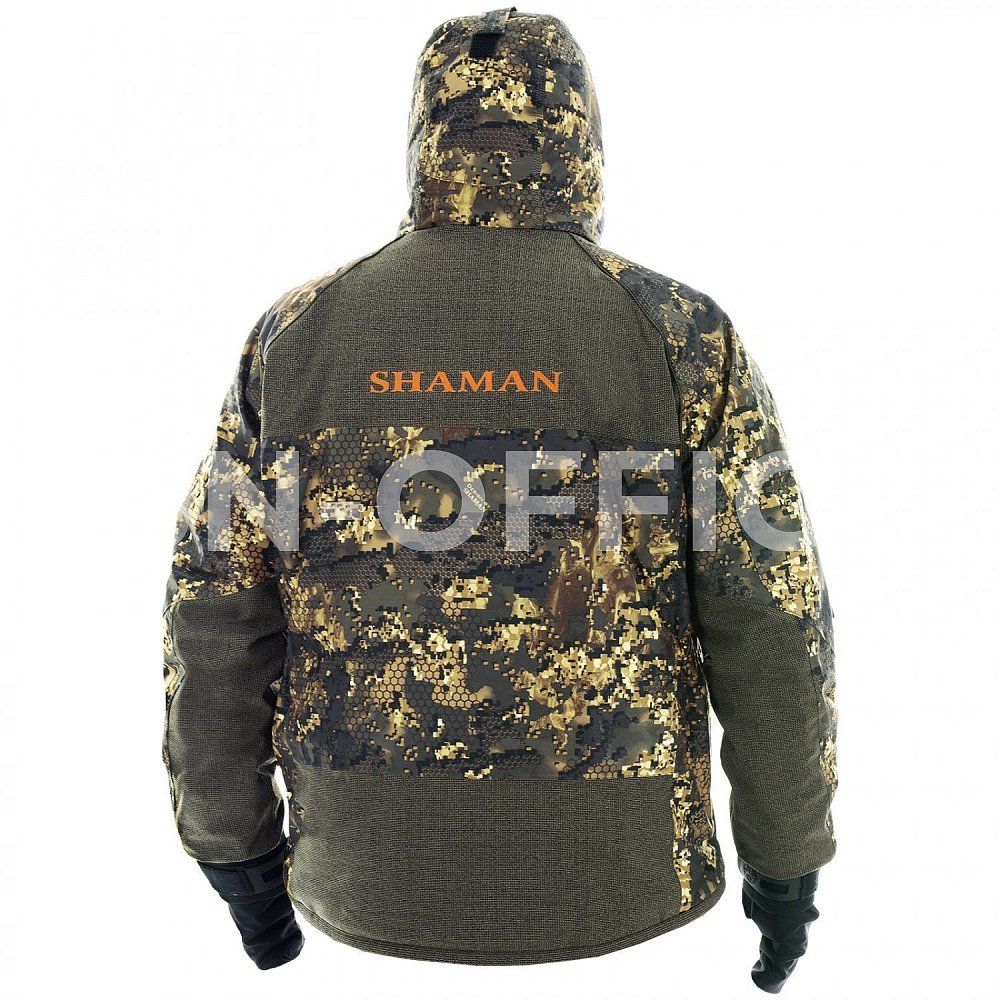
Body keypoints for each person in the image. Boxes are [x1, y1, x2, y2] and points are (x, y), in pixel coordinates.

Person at [162, 9, 836, 991]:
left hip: (364, 876)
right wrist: (787, 866)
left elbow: (215, 607)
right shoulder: (679, 334)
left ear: (424, 132)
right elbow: (769, 613)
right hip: (625, 881)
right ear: (581, 132)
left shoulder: (295, 337)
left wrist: (236, 856)